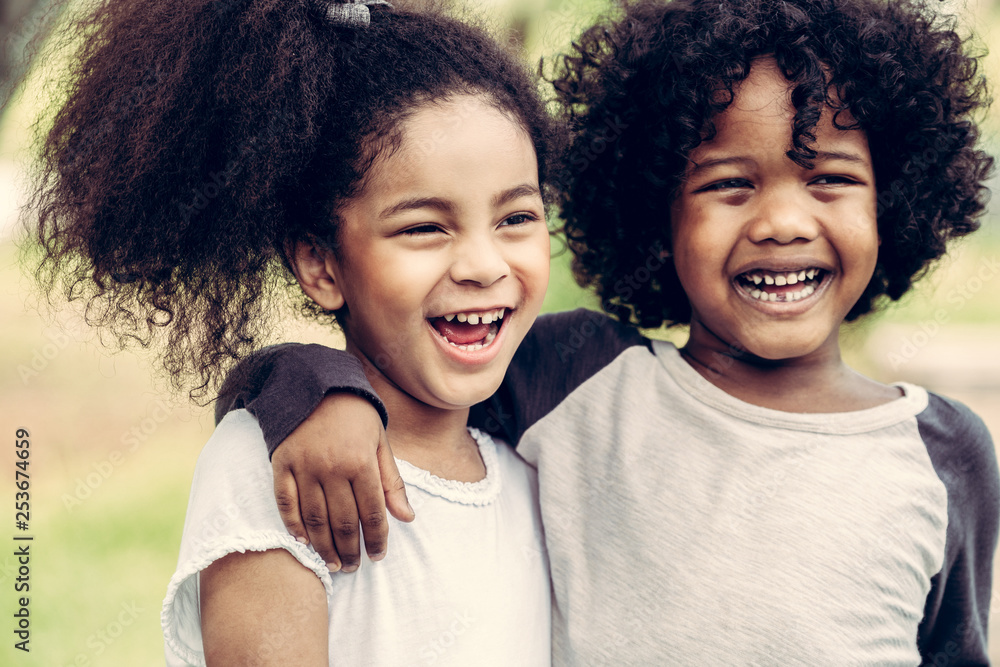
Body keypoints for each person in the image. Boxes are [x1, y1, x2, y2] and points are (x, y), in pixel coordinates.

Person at [217, 0, 1000, 663]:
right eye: (730, 184)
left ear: (894, 198)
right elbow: (394, 359)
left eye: (831, 179)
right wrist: (322, 391)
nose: (784, 221)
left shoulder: (946, 454)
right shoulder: (577, 375)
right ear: (657, 209)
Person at [28, 0, 563, 663]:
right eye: (424, 226)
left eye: (516, 217)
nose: (484, 265)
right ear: (320, 263)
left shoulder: (543, 453)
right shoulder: (279, 470)